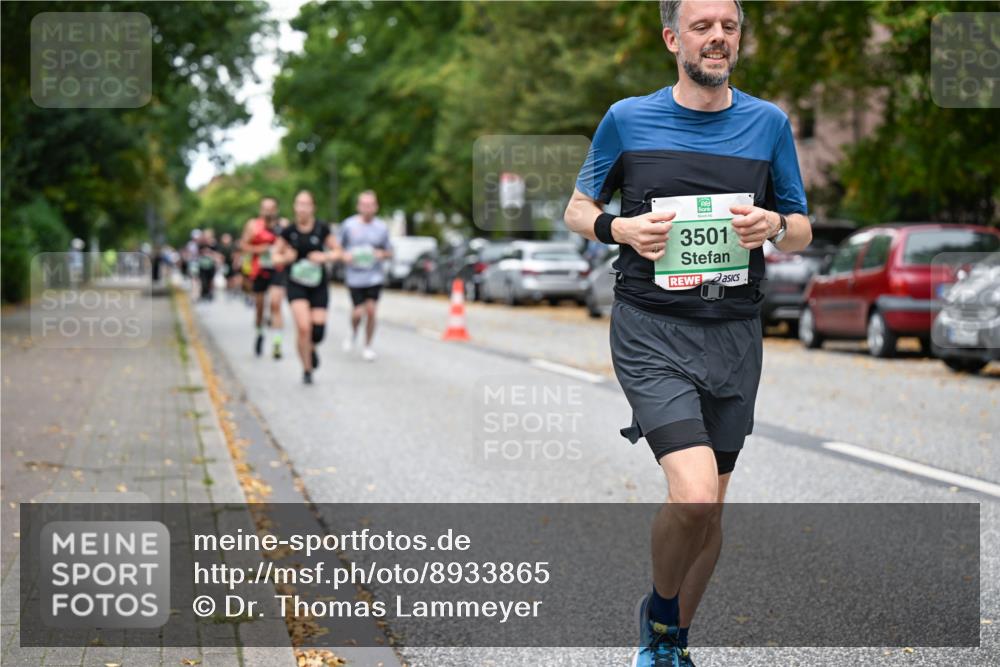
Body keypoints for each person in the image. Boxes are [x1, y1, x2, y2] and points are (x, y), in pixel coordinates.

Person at [564, 2, 812, 665]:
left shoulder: (768, 124)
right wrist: (617, 228)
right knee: (694, 491)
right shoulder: (628, 119)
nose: (718, 37)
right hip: (652, 331)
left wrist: (775, 228)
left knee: (711, 507)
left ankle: (672, 640)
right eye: (702, 26)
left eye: (728, 26)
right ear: (674, 39)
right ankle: (661, 620)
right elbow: (578, 206)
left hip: (733, 332)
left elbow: (801, 222)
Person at [272, 190, 340, 384]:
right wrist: (286, 258)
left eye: (306, 204)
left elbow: (338, 251)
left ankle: (311, 346)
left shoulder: (321, 229)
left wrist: (324, 257)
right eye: (299, 204)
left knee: (317, 331)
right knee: (303, 327)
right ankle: (307, 369)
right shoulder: (289, 232)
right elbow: (275, 256)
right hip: (296, 284)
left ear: (312, 207)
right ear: (294, 207)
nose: (302, 208)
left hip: (318, 285)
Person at [338, 190, 392, 362]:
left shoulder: (382, 227)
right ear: (358, 206)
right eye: (364, 204)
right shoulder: (348, 225)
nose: (367, 208)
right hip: (355, 277)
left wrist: (380, 254)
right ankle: (353, 332)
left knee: (371, 311)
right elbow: (338, 248)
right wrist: (344, 256)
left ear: (376, 207)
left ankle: (368, 346)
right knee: (357, 313)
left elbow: (389, 252)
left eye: (370, 205)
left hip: (374, 276)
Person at [240, 197, 288, 359]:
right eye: (265, 208)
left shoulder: (284, 225)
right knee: (260, 307)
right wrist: (259, 249)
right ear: (261, 210)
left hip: (277, 269)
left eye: (271, 208)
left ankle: (277, 343)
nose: (268, 211)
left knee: (276, 304)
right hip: (259, 270)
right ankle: (260, 334)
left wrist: (282, 253)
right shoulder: (252, 225)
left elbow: (290, 245)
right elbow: (243, 246)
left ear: (276, 210)